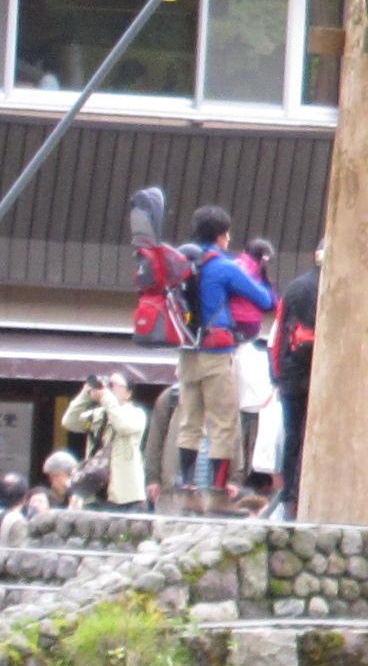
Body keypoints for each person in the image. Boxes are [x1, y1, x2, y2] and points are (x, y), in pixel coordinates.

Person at [174, 205, 274, 513]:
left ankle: (186, 486)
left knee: (189, 421)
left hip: (187, 351)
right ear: (220, 235)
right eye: (227, 234)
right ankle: (217, 492)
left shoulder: (181, 263)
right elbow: (265, 299)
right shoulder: (224, 267)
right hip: (216, 353)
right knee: (223, 423)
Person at [268, 247, 322, 519]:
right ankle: (316, 491)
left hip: (292, 372)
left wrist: (277, 373)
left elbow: (278, 332)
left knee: (292, 435)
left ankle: (290, 495)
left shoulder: (294, 287)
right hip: (322, 373)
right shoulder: (339, 287)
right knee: (319, 436)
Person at [63, 373, 152, 512]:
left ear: (128, 394)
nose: (109, 388)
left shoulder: (137, 414)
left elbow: (122, 425)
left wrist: (106, 398)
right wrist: (85, 394)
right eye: (108, 384)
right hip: (95, 491)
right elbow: (69, 422)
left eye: (114, 385)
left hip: (125, 495)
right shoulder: (97, 415)